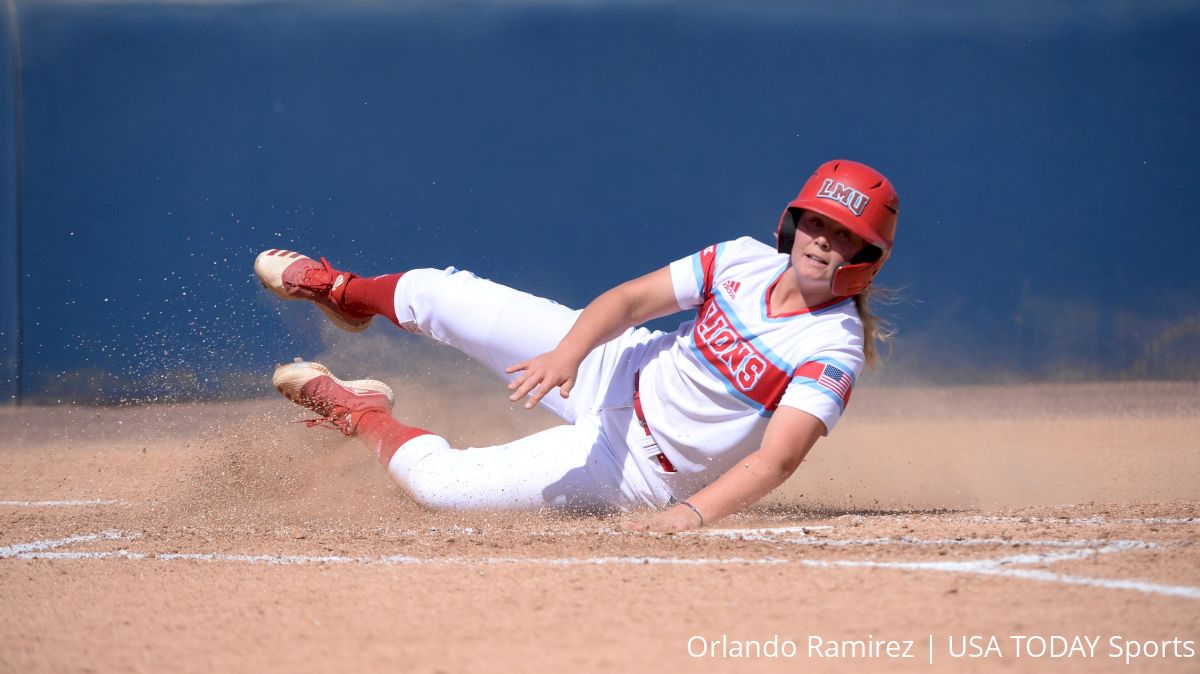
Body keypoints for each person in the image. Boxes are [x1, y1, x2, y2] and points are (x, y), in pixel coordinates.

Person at [255, 159, 899, 532]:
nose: (820, 240)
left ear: (865, 258)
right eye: (815, 221)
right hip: (617, 368)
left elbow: (777, 461)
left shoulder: (831, 346)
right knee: (440, 293)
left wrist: (690, 518)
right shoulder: (744, 260)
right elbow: (627, 303)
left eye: (842, 234)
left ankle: (361, 410)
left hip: (641, 469)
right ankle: (345, 291)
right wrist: (569, 355)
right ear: (792, 223)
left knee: (441, 488)